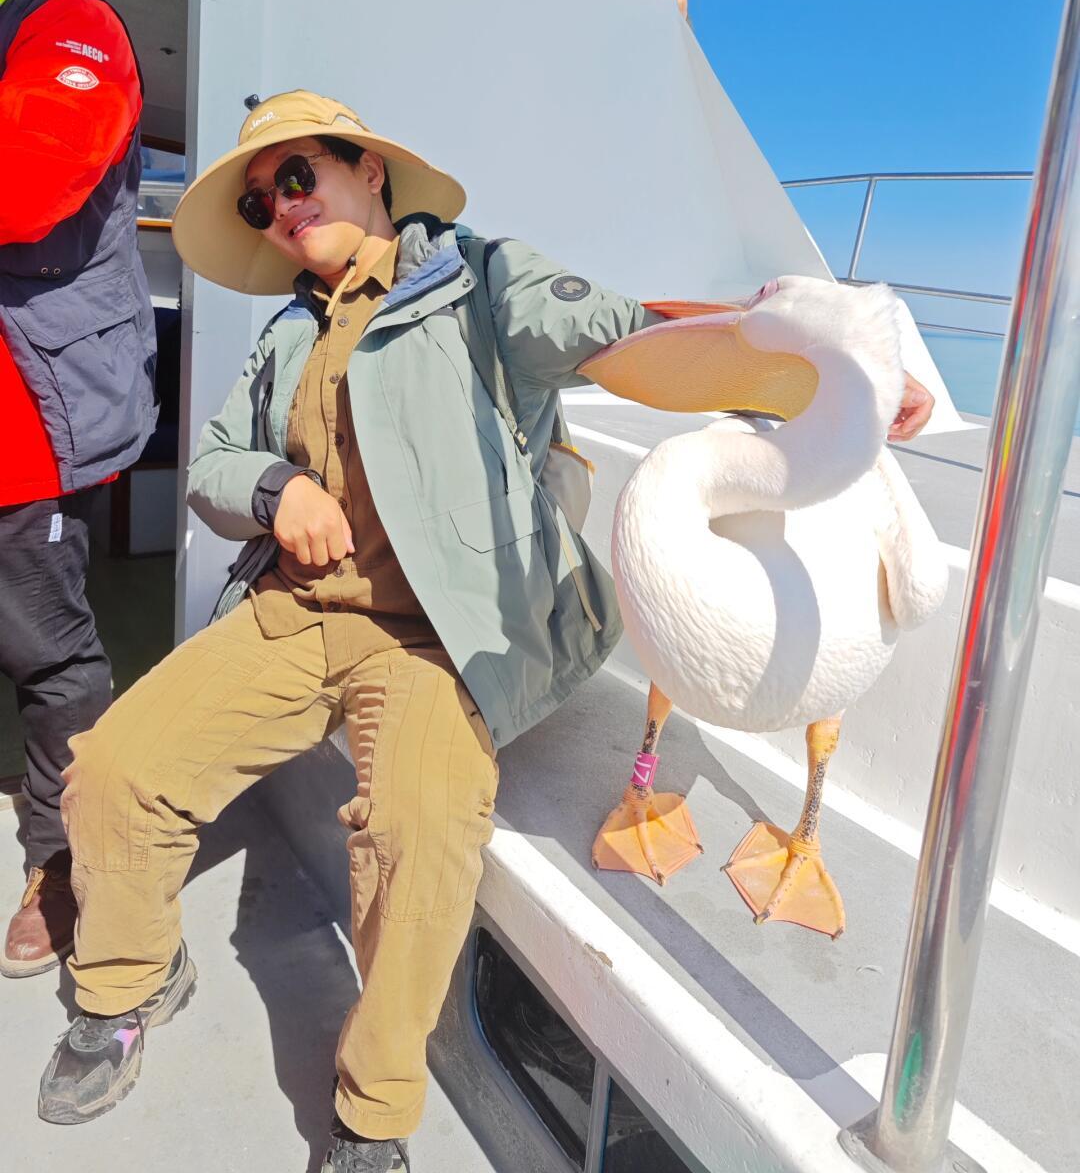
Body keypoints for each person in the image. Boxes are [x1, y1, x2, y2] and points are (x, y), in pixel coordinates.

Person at [37, 90, 934, 1170]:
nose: (280, 207)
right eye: (259, 201)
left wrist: (818, 372)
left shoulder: (479, 280)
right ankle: (128, 986)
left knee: (416, 835)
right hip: (293, 614)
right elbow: (218, 462)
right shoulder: (286, 335)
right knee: (117, 768)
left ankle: (371, 1116)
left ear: (370, 171)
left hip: (437, 639)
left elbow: (629, 335)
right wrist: (279, 489)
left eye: (298, 176)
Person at [0, 0, 154, 977]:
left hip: (25, 423)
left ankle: (61, 861)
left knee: (47, 654)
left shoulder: (72, 21)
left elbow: (30, 176)